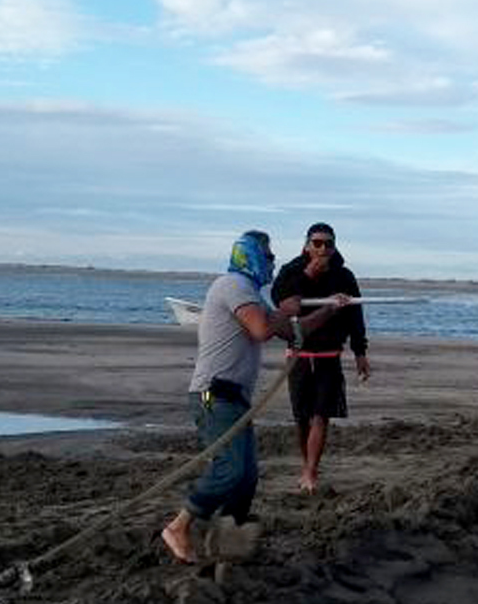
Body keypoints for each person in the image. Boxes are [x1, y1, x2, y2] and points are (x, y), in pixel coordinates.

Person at [158, 230, 348, 564]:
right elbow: (262, 330)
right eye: (270, 255)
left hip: (234, 398)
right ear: (253, 255)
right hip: (211, 395)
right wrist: (286, 308)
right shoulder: (232, 286)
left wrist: (330, 309)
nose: (274, 261)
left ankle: (227, 537)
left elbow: (292, 331)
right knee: (230, 469)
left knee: (247, 476)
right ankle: (179, 526)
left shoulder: (254, 297)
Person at [269, 222, 369, 493]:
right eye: (317, 243)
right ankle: (306, 465)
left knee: (320, 415)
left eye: (328, 243)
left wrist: (360, 353)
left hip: (329, 353)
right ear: (307, 245)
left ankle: (311, 470)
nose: (323, 248)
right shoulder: (291, 270)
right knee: (302, 417)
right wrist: (307, 276)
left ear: (335, 246)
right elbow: (279, 298)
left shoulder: (344, 276)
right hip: (299, 352)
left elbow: (355, 317)